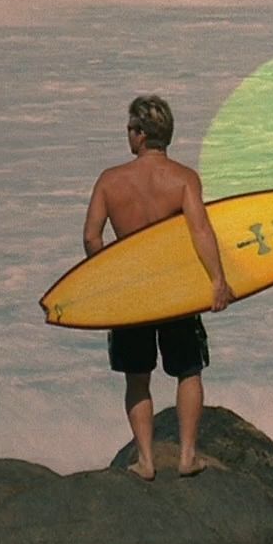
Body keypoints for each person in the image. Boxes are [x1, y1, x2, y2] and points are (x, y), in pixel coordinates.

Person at [83, 94, 234, 480]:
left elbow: (91, 238)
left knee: (137, 377)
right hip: (176, 291)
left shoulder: (110, 181)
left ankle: (146, 461)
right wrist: (217, 281)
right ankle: (187, 456)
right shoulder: (183, 179)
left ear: (139, 134)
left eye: (129, 130)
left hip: (132, 295)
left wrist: (106, 281)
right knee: (188, 370)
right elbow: (201, 231)